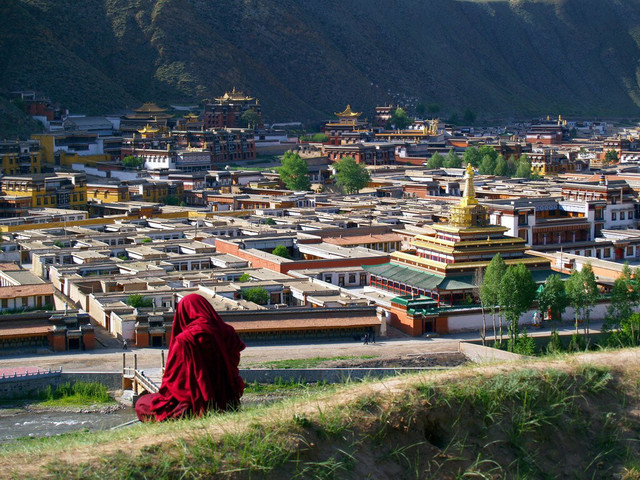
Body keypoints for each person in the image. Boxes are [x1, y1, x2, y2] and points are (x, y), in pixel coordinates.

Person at [135, 293, 245, 422]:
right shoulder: (228, 331)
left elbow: (174, 382)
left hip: (193, 404)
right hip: (227, 397)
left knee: (141, 404)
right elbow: (234, 363)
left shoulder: (185, 339)